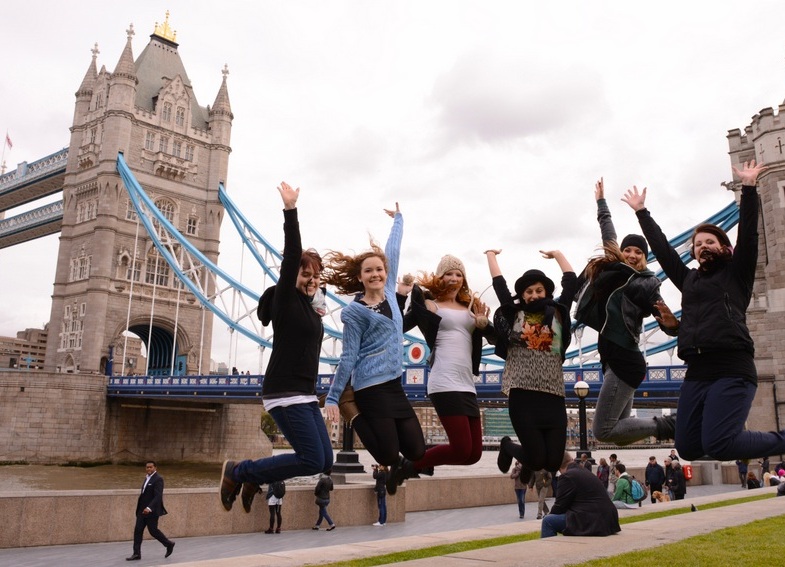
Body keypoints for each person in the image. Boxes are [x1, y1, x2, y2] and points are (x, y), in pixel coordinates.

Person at [624, 160, 785, 461]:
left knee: (720, 445)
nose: (703, 246)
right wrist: (642, 213)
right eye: (698, 244)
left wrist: (749, 188)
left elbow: (749, 235)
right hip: (697, 371)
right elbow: (663, 251)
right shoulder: (688, 280)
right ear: (694, 253)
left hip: (732, 367)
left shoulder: (737, 274)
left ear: (724, 246)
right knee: (687, 447)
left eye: (710, 241)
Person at [220, 183, 333, 513]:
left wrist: (317, 289)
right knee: (311, 458)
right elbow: (291, 256)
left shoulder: (312, 308)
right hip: (284, 391)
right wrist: (290, 211)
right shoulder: (284, 298)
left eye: (315, 275)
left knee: (324, 459)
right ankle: (240, 472)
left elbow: (321, 303)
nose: (310, 278)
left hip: (306, 393)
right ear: (292, 273)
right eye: (304, 272)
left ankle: (255, 478)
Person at [322, 204, 426, 495]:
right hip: (369, 384)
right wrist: (333, 396)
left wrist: (399, 220)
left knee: (417, 449)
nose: (376, 274)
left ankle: (399, 472)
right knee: (388, 455)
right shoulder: (354, 312)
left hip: (394, 383)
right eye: (369, 271)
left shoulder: (391, 289)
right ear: (360, 277)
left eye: (379, 269)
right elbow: (349, 355)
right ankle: (351, 412)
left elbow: (393, 249)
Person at [576, 178, 679, 447]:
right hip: (613, 360)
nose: (632, 255)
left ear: (645, 258)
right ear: (621, 253)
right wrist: (601, 202)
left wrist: (672, 326)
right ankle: (668, 425)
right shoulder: (613, 271)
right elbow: (607, 231)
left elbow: (664, 319)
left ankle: (670, 425)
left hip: (625, 360)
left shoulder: (646, 283)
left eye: (638, 252)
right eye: (628, 250)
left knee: (603, 431)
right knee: (619, 433)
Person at [399, 255, 495, 483]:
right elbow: (399, 326)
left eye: (458, 274)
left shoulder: (470, 307)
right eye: (448, 274)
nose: (454, 278)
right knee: (461, 450)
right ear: (439, 278)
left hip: (467, 383)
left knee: (473, 455)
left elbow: (495, 339)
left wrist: (483, 321)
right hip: (444, 380)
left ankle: (421, 461)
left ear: (464, 279)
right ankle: (408, 464)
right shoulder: (430, 305)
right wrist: (401, 295)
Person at [485, 249, 578, 476]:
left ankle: (522, 459)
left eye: (539, 290)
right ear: (523, 295)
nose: (534, 295)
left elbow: (571, 282)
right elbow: (499, 285)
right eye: (529, 291)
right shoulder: (514, 314)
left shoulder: (557, 312)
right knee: (537, 460)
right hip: (523, 395)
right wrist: (491, 255)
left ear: (546, 291)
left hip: (554, 393)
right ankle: (507, 446)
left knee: (554, 462)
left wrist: (558, 255)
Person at [540, 452, 620, 538]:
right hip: (609, 520)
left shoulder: (567, 476)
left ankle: (550, 550)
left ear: (558, 466)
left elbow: (559, 506)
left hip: (594, 520)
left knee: (548, 521)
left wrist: (551, 515)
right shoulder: (583, 471)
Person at [127, 461, 174, 561]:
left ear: (155, 467)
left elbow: (158, 496)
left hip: (151, 511)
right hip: (141, 511)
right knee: (138, 531)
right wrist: (141, 508)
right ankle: (136, 554)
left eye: (151, 467)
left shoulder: (158, 479)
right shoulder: (147, 478)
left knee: (153, 531)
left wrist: (149, 508)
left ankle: (169, 544)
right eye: (147, 467)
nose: (148, 469)